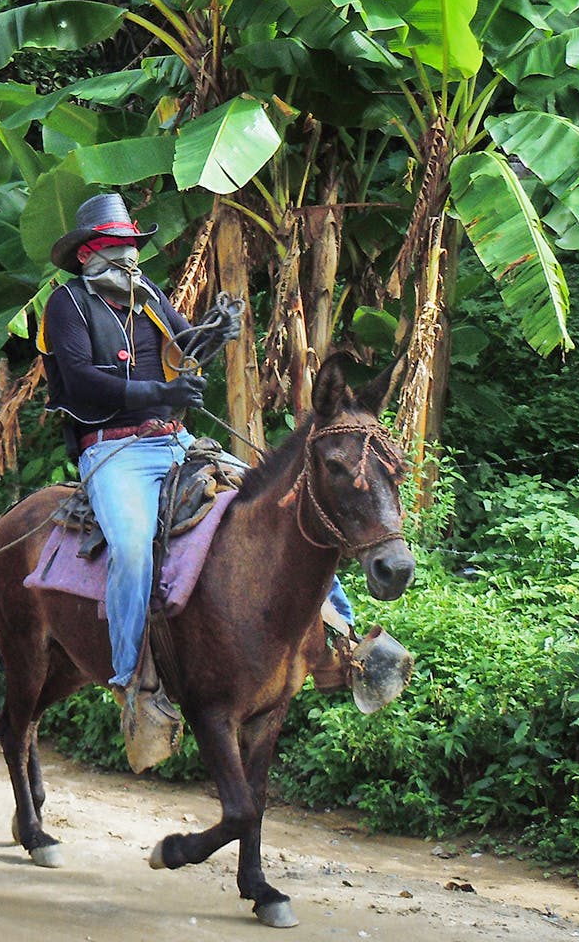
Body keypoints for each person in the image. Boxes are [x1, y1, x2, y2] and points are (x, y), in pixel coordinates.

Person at [40, 193, 358, 763]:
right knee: (134, 548)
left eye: (134, 247)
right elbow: (83, 381)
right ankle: (131, 680)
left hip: (176, 441)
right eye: (119, 248)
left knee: (284, 502)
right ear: (90, 253)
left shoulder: (150, 296)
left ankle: (344, 640)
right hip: (113, 452)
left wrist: (218, 330)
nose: (131, 257)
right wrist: (158, 392)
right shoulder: (67, 305)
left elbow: (187, 346)